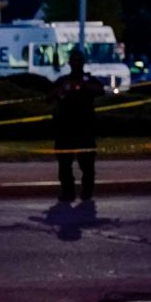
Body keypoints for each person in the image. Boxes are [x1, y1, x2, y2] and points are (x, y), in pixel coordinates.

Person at [49, 48, 105, 203]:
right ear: (69, 63)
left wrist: (84, 87)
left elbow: (101, 91)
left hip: (85, 128)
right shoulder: (63, 81)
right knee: (64, 164)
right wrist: (63, 90)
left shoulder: (89, 80)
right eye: (73, 60)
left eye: (78, 60)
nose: (76, 63)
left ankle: (86, 193)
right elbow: (48, 96)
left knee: (87, 165)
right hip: (65, 128)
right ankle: (68, 193)